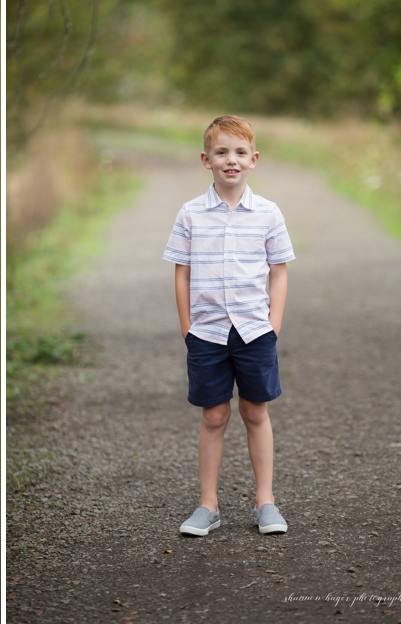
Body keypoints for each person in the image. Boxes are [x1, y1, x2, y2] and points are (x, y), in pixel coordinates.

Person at [163, 115, 293, 537]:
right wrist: (187, 327)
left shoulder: (268, 213)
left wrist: (272, 325)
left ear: (253, 159)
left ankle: (265, 502)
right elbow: (181, 272)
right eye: (221, 153)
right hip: (207, 332)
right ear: (207, 160)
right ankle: (208, 505)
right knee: (215, 415)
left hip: (255, 330)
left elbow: (279, 271)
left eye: (239, 153)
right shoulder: (191, 214)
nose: (230, 161)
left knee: (255, 411)